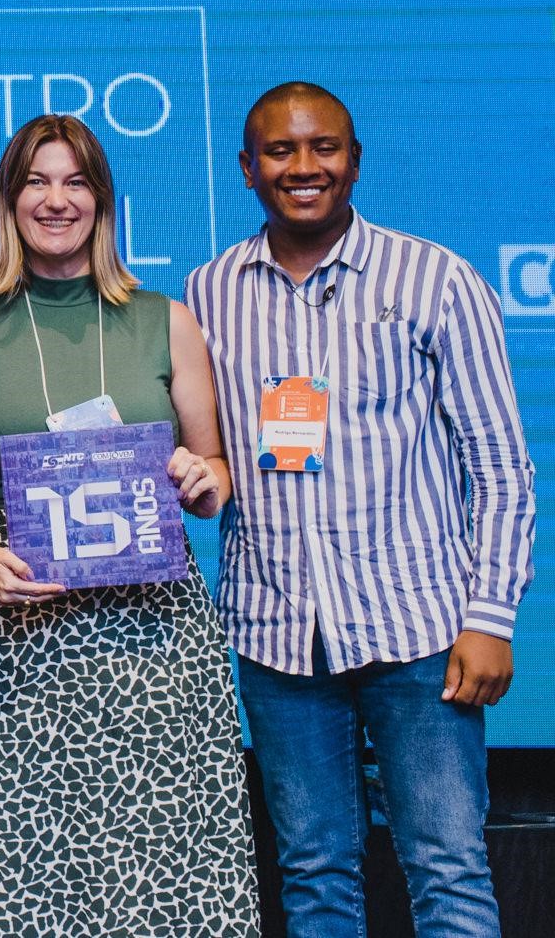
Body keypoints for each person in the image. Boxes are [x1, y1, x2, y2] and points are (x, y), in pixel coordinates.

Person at [185, 81, 535, 937]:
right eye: (280, 151)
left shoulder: (436, 278)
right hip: (276, 635)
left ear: (355, 161)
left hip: (419, 633)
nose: (303, 167)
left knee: (448, 868)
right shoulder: (207, 290)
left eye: (324, 148)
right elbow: (214, 452)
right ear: (247, 168)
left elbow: (499, 464)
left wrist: (491, 617)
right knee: (314, 874)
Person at [0, 112, 257, 935]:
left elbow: (216, 471)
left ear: (102, 201)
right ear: (8, 201)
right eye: (36, 181)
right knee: (34, 866)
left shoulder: (166, 319)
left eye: (75, 181)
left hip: (155, 641)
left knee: (163, 857)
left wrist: (200, 479)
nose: (56, 199)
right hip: (26, 638)